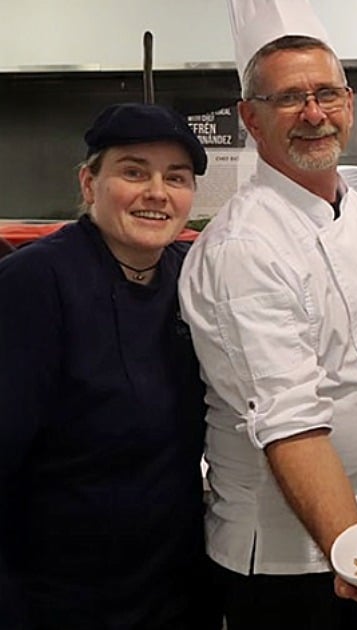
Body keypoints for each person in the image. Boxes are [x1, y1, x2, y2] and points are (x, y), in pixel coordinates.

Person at [178, 4, 357, 626]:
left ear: (349, 103)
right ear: (250, 117)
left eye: (326, 93)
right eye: (288, 98)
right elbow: (288, 421)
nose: (313, 114)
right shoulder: (245, 249)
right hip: (294, 561)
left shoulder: (351, 208)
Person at [0, 103, 218, 629]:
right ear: (89, 182)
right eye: (133, 171)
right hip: (61, 595)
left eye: (176, 177)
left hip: (174, 586)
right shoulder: (33, 284)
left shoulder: (191, 277)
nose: (157, 192)